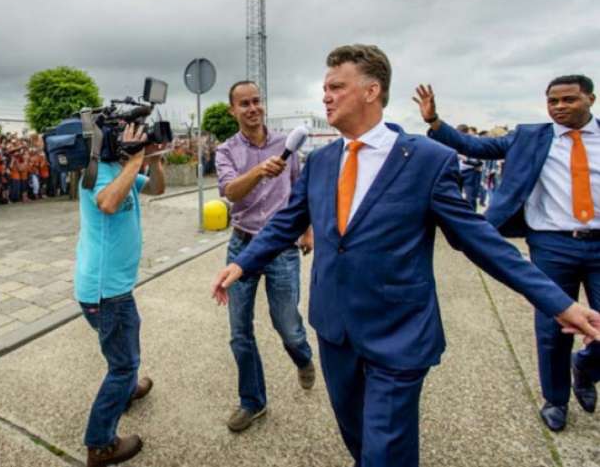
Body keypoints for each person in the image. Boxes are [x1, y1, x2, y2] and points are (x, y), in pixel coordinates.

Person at [212, 45, 600, 467]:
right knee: (357, 436)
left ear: (371, 91)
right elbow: (287, 222)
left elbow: (479, 240)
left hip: (399, 333)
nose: (326, 96)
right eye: (324, 88)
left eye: (336, 87)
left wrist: (557, 302)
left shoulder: (427, 160)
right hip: (335, 328)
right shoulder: (321, 161)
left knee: (386, 452)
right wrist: (241, 263)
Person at [415, 75, 600, 431]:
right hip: (552, 243)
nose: (559, 107)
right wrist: (435, 123)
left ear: (590, 99)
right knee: (551, 326)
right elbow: (475, 147)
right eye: (553, 101)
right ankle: (556, 400)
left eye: (568, 100)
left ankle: (587, 367)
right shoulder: (530, 137)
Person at [214, 80, 315, 432]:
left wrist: (308, 229)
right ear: (233, 110)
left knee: (287, 326)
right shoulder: (225, 151)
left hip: (282, 247)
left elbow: (302, 190)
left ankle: (303, 358)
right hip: (242, 246)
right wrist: (258, 171)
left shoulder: (287, 143)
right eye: (244, 103)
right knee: (240, 333)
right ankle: (252, 402)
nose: (253, 108)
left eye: (257, 101)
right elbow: (230, 193)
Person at [75, 123, 165, 467]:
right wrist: (133, 161)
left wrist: (153, 160)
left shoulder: (118, 169)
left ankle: (126, 392)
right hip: (105, 290)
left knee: (127, 343)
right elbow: (108, 203)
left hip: (116, 287)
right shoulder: (98, 172)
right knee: (123, 364)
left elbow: (155, 189)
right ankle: (100, 444)